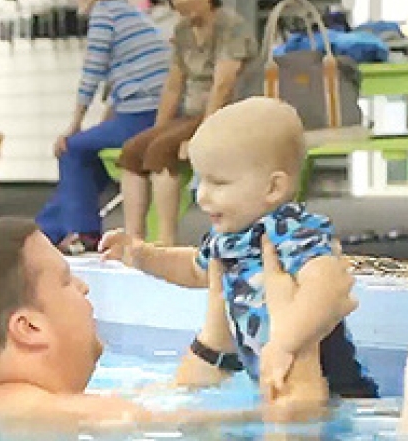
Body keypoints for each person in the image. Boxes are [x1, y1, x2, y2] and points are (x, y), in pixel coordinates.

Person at [0, 217, 356, 426]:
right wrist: (301, 334)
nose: (85, 291)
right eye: (68, 281)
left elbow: (171, 400)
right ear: (29, 328)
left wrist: (214, 335)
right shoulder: (89, 418)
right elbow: (293, 432)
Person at [101, 98, 377, 404]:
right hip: (273, 378)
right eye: (199, 180)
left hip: (335, 389)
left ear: (273, 188)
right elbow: (195, 268)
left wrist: (286, 343)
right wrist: (144, 256)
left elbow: (325, 286)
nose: (202, 196)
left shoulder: (291, 231)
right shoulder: (228, 238)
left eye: (218, 182)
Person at [117, 0, 259, 245]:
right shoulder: (182, 32)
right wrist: (157, 130)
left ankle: (165, 241)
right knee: (133, 152)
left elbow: (223, 86)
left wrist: (202, 137)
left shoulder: (231, 25)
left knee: (161, 153)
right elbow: (173, 87)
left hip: (228, 113)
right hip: (192, 114)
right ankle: (134, 240)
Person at [36, 0, 168, 254]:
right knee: (87, 157)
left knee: (71, 148)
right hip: (154, 111)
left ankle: (82, 233)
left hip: (141, 115)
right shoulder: (129, 12)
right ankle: (48, 230)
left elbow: (92, 74)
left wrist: (73, 125)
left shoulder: (103, 15)